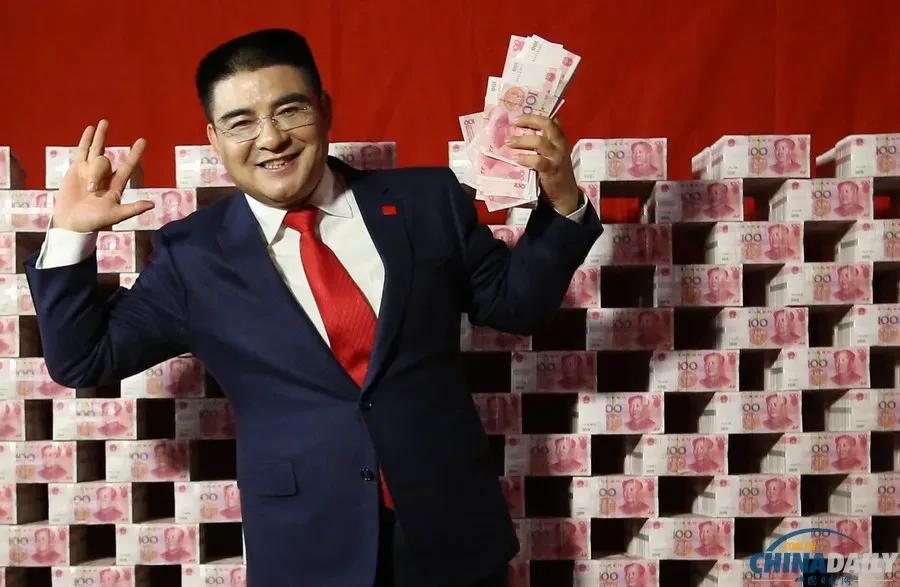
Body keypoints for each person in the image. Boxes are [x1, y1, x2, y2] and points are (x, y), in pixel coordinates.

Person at [24, 29, 601, 587]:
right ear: (214, 139)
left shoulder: (428, 201)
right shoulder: (192, 256)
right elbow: (84, 360)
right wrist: (70, 233)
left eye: (290, 110)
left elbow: (517, 307)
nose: (271, 138)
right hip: (307, 549)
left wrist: (562, 201)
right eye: (241, 123)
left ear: (324, 110)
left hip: (453, 534)